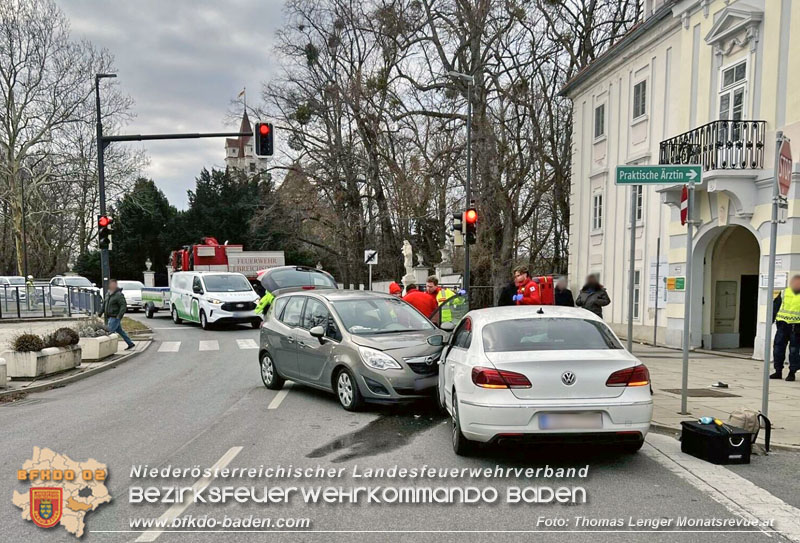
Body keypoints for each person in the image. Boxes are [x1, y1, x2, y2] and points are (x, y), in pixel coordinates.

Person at [770, 274, 800, 382]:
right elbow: (775, 306)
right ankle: (778, 371)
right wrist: (771, 319)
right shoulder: (784, 292)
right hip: (782, 324)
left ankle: (792, 372)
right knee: (778, 349)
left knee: (794, 351)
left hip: (797, 326)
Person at [101, 279, 135, 350]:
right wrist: (100, 312)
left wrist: (119, 316)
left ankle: (106, 349)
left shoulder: (119, 295)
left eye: (113, 284)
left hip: (115, 317)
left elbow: (123, 306)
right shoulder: (108, 294)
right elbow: (104, 304)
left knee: (109, 332)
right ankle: (130, 343)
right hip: (110, 316)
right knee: (120, 331)